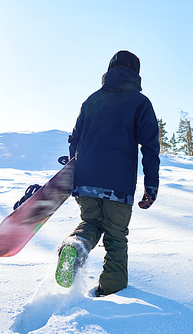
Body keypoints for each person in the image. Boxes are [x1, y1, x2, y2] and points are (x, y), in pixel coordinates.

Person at [55, 50, 160, 297]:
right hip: (118, 185)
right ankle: (112, 294)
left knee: (91, 222)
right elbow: (150, 148)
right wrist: (151, 187)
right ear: (136, 72)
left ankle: (75, 244)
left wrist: (75, 167)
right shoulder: (140, 102)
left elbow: (75, 139)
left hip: (85, 181)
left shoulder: (92, 100)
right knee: (115, 235)